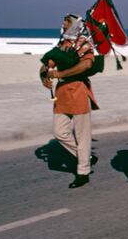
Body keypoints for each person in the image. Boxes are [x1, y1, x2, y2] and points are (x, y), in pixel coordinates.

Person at [39, 14, 98, 188]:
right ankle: (85, 157)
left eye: (67, 21)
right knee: (59, 132)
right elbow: (47, 64)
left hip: (79, 90)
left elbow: (86, 65)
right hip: (62, 93)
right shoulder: (61, 44)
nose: (63, 23)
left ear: (75, 25)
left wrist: (58, 74)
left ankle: (83, 172)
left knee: (82, 136)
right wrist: (43, 75)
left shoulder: (85, 45)